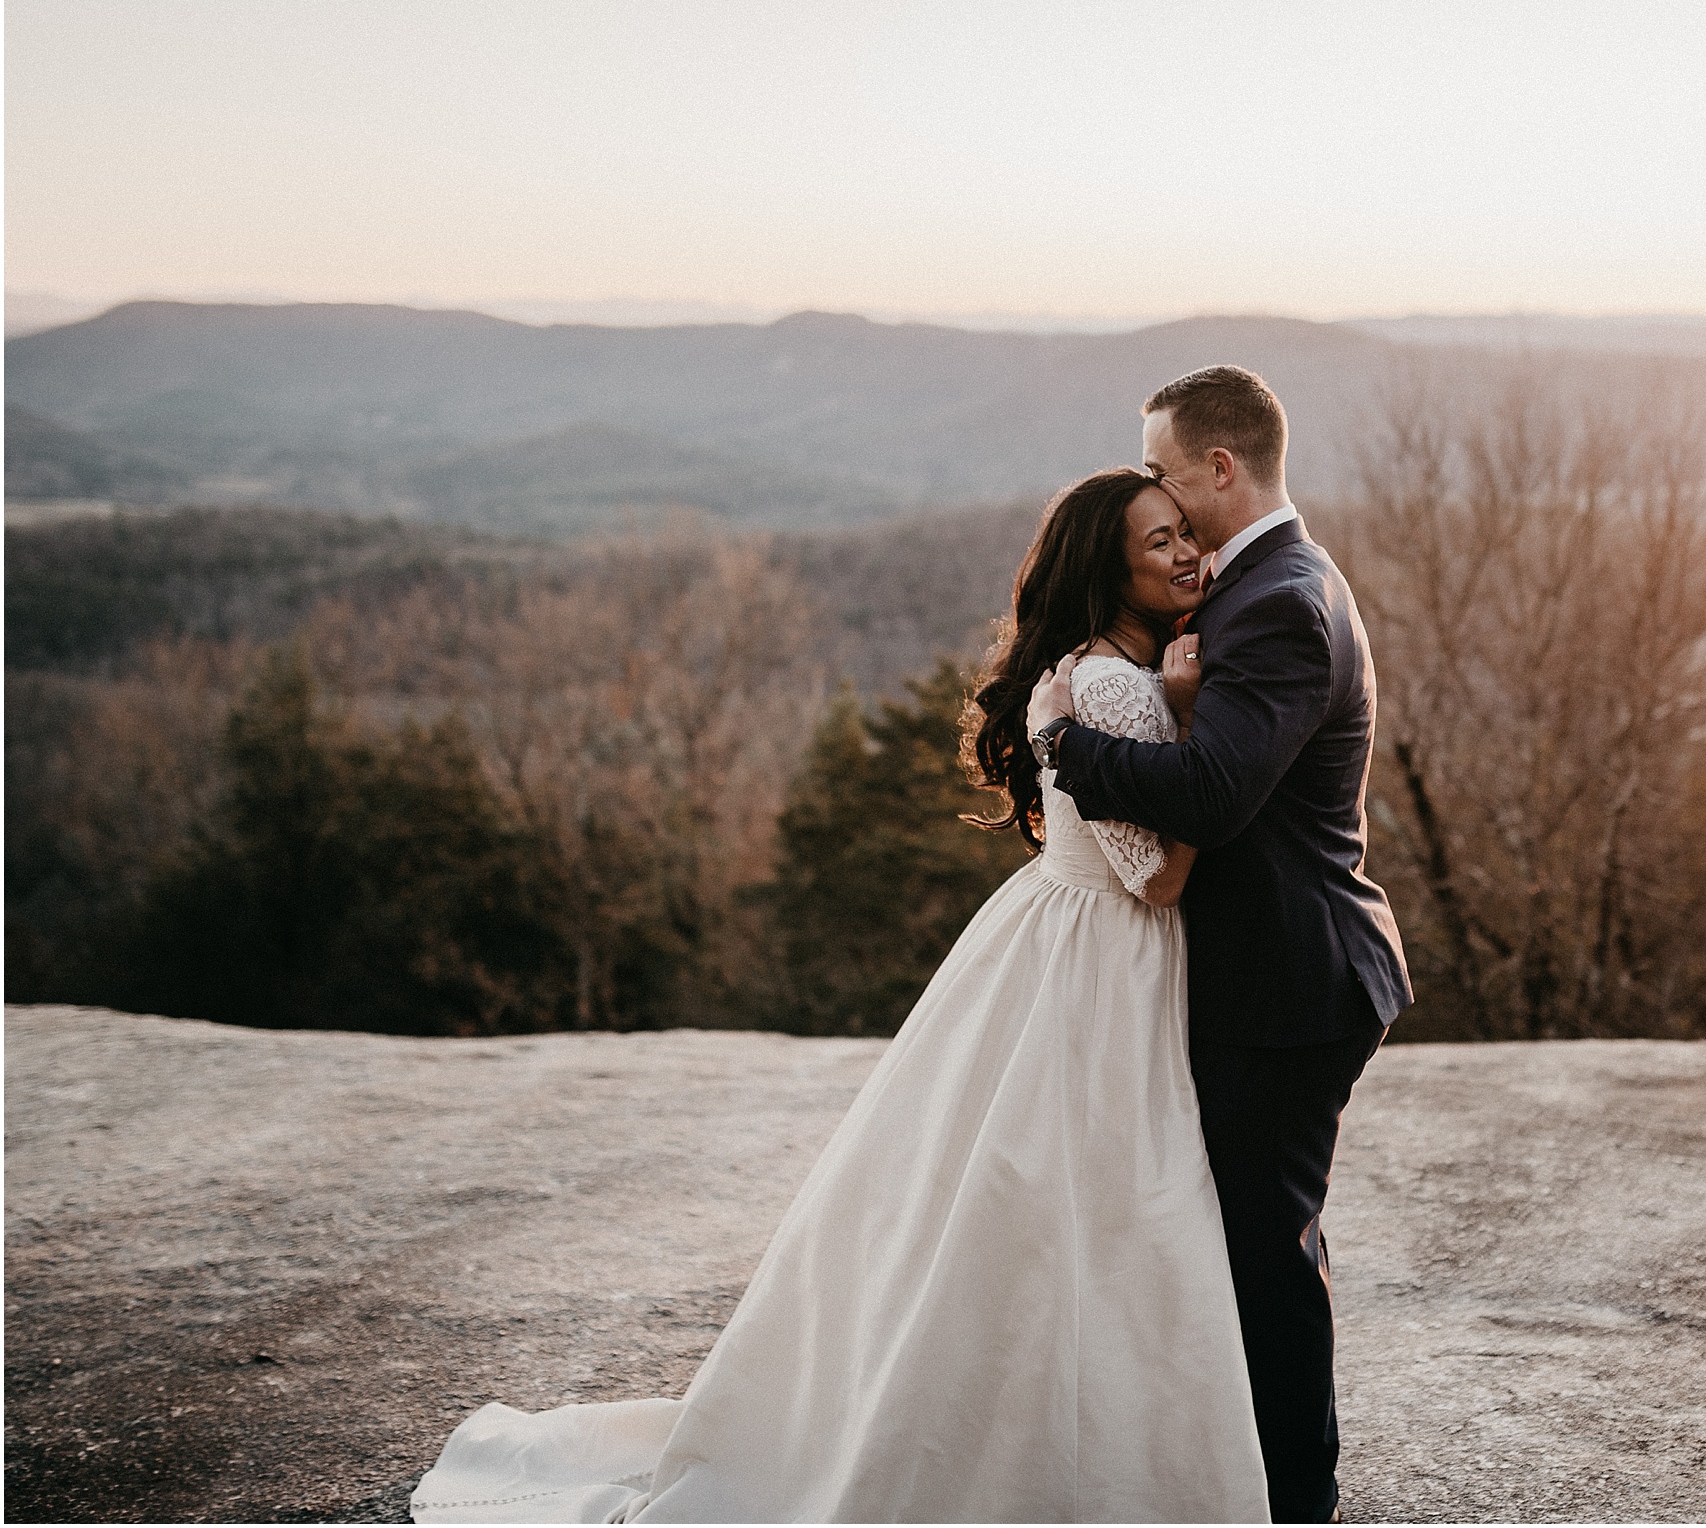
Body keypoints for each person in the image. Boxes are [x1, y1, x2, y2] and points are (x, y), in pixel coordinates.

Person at [409, 469, 1270, 1523]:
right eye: (1159, 543)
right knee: (1104, 1214)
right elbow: (1163, 876)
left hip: (1057, 935)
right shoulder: (1118, 689)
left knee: (1023, 1216)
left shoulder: (1085, 670)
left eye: (1187, 533)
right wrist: (1182, 722)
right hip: (1108, 962)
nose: (1187, 554)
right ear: (1109, 569)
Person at [1028, 364, 1412, 1525]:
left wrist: (1064, 741)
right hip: (1264, 976)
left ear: (1220, 468)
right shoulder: (1261, 589)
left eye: (1164, 470)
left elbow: (1209, 797)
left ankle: (1298, 1503)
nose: (1158, 492)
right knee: (1237, 1244)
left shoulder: (1278, 602)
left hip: (1289, 984)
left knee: (1264, 1258)